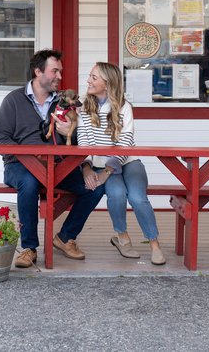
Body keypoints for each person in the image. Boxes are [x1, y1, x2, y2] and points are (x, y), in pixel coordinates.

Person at [0, 49, 105, 268]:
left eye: (60, 72)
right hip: (20, 166)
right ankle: (29, 248)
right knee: (29, 181)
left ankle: (65, 238)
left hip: (59, 167)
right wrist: (27, 157)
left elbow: (82, 139)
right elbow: (1, 139)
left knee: (97, 186)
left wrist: (86, 166)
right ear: (38, 71)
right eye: (55, 71)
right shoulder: (13, 100)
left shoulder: (67, 102)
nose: (60, 77)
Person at [77, 61, 165, 265]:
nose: (88, 80)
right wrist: (87, 167)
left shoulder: (124, 106)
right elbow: (84, 141)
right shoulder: (84, 107)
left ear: (107, 84)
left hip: (127, 161)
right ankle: (122, 237)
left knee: (137, 198)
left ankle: (154, 244)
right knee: (116, 195)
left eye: (93, 77)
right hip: (100, 163)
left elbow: (125, 141)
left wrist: (107, 171)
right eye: (90, 76)